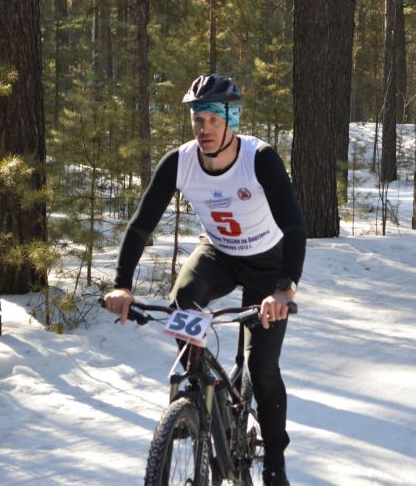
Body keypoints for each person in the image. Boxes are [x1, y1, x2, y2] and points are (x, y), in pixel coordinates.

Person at [104, 73, 306, 486]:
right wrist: (122, 284)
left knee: (261, 366)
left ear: (232, 119)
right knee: (183, 298)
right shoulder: (180, 162)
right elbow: (140, 226)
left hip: (268, 264)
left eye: (214, 119)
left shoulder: (259, 158)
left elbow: (294, 226)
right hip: (218, 254)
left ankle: (274, 464)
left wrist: (284, 290)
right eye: (198, 119)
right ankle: (196, 397)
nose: (204, 128)